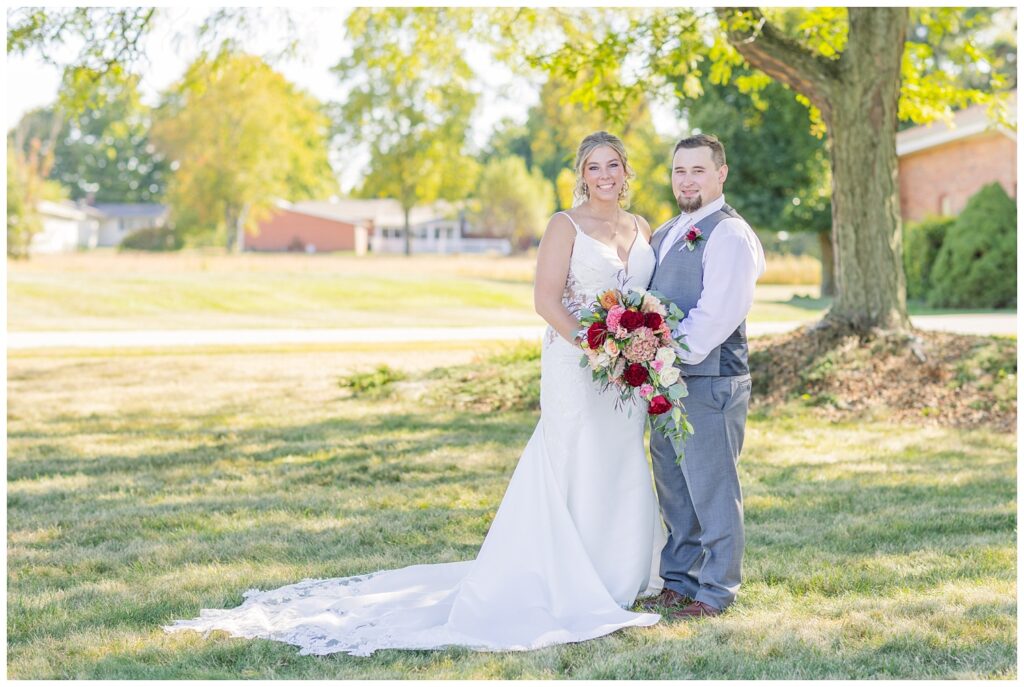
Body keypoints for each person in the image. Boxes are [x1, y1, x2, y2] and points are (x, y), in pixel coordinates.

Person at [164, 131, 667, 656]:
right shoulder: (564, 226)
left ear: (626, 171)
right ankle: (569, 579)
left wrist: (635, 350)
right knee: (577, 459)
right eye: (594, 167)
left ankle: (623, 572)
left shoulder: (641, 227)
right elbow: (546, 300)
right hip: (577, 362)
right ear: (581, 175)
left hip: (626, 373)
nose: (605, 176)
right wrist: (598, 349)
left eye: (613, 165)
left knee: (620, 459)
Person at [642, 133, 766, 619]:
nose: (687, 179)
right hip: (667, 380)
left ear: (721, 174)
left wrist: (663, 357)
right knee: (674, 485)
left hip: (710, 379)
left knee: (712, 487)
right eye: (679, 171)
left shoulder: (729, 233)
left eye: (697, 170)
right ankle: (679, 581)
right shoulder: (669, 230)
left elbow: (716, 315)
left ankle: (716, 592)